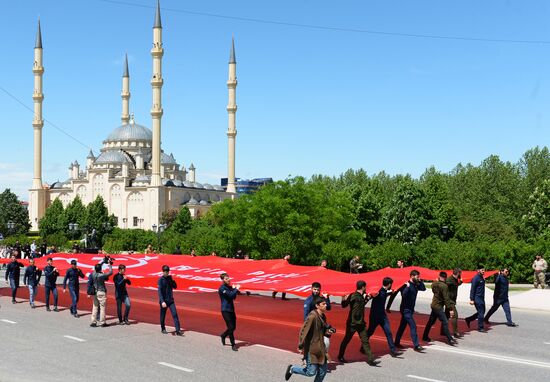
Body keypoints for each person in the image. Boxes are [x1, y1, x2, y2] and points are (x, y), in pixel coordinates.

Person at [285, 296, 331, 381]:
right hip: (312, 349)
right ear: (317, 306)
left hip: (321, 348)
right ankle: (292, 369)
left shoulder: (323, 316)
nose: (325, 305)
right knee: (311, 372)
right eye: (323, 304)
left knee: (322, 372)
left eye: (325, 303)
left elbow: (323, 330)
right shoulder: (312, 317)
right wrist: (301, 345)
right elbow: (303, 331)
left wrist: (328, 332)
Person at [337, 280, 378, 366]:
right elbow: (344, 305)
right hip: (352, 323)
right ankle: (340, 356)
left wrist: (369, 297)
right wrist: (343, 298)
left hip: (361, 324)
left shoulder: (361, 296)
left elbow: (362, 304)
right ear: (363, 287)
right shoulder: (353, 296)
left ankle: (371, 359)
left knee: (365, 340)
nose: (365, 288)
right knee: (346, 340)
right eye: (365, 287)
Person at [366, 277, 401, 357]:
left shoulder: (384, 291)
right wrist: (370, 295)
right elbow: (373, 296)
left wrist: (390, 293)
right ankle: (363, 347)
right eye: (391, 284)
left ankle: (393, 350)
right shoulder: (378, 291)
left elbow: (384, 295)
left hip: (382, 316)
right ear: (389, 284)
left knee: (388, 332)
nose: (391, 285)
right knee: (370, 332)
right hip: (375, 316)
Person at [393, 270, 426, 351]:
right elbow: (404, 295)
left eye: (419, 277)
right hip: (405, 309)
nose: (418, 278)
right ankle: (416, 345)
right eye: (417, 277)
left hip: (410, 309)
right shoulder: (406, 284)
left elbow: (423, 288)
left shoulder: (416, 284)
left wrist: (420, 281)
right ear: (412, 276)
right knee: (413, 326)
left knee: (402, 326)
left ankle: (396, 342)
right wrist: (407, 287)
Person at [422, 271, 457, 345]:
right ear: (445, 278)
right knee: (445, 321)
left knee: (431, 322)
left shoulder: (434, 284)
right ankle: (450, 339)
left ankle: (425, 336)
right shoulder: (444, 286)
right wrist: (450, 309)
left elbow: (433, 289)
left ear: (439, 276)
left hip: (434, 305)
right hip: (438, 307)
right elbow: (446, 299)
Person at [158, 265, 183, 335]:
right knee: (163, 316)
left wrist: (172, 281)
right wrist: (162, 301)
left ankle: (178, 330)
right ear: (163, 272)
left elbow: (175, 287)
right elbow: (159, 291)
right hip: (164, 301)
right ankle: (163, 328)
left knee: (175, 314)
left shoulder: (170, 278)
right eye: (165, 271)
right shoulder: (160, 280)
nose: (166, 272)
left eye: (167, 271)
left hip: (170, 300)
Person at [218, 273, 240, 351]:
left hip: (231, 309)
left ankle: (223, 335)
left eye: (229, 278)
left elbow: (233, 297)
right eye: (226, 279)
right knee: (230, 327)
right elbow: (230, 295)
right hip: (225, 310)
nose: (229, 280)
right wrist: (236, 289)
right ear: (223, 280)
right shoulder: (222, 288)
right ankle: (233, 344)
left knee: (233, 327)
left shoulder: (229, 287)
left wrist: (235, 290)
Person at [90, 261, 113, 327]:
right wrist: (110, 265)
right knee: (102, 307)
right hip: (101, 292)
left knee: (95, 307)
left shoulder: (93, 274)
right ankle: (102, 322)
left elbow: (96, 269)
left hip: (95, 292)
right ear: (100, 269)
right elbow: (110, 272)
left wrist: (103, 262)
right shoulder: (101, 275)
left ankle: (93, 322)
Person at [465, 266, 487, 332]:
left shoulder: (481, 278)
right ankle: (480, 327)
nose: (483, 271)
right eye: (482, 270)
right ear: (478, 270)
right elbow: (472, 289)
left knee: (482, 311)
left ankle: (469, 319)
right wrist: (471, 299)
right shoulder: (475, 278)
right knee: (481, 313)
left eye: (484, 270)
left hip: (482, 298)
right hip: (477, 298)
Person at [442, 268, 463, 338]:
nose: (461, 275)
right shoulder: (449, 280)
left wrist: (460, 282)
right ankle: (455, 332)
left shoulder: (455, 280)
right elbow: (444, 286)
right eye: (460, 273)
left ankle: (442, 331)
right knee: (455, 316)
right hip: (449, 301)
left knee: (446, 316)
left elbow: (455, 285)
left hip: (452, 300)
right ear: (458, 273)